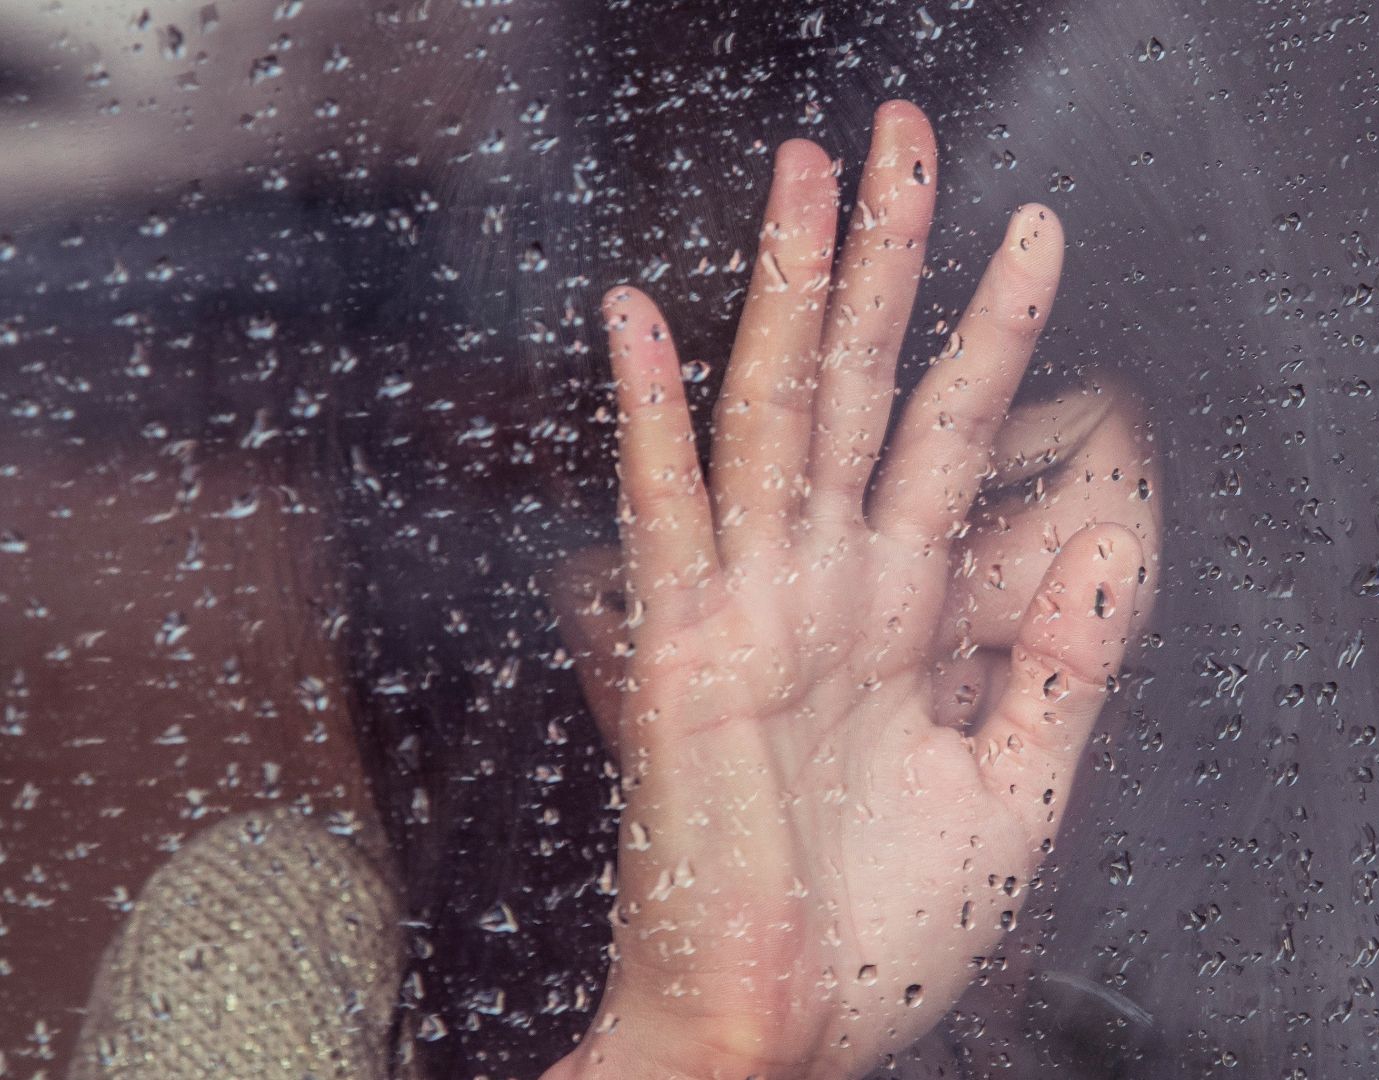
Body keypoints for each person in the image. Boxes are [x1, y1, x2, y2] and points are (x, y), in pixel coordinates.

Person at [56, 99, 1164, 1079]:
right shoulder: (294, 974)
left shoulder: (1242, 998)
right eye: (658, 586)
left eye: (1010, 483)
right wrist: (702, 1054)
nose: (889, 601)